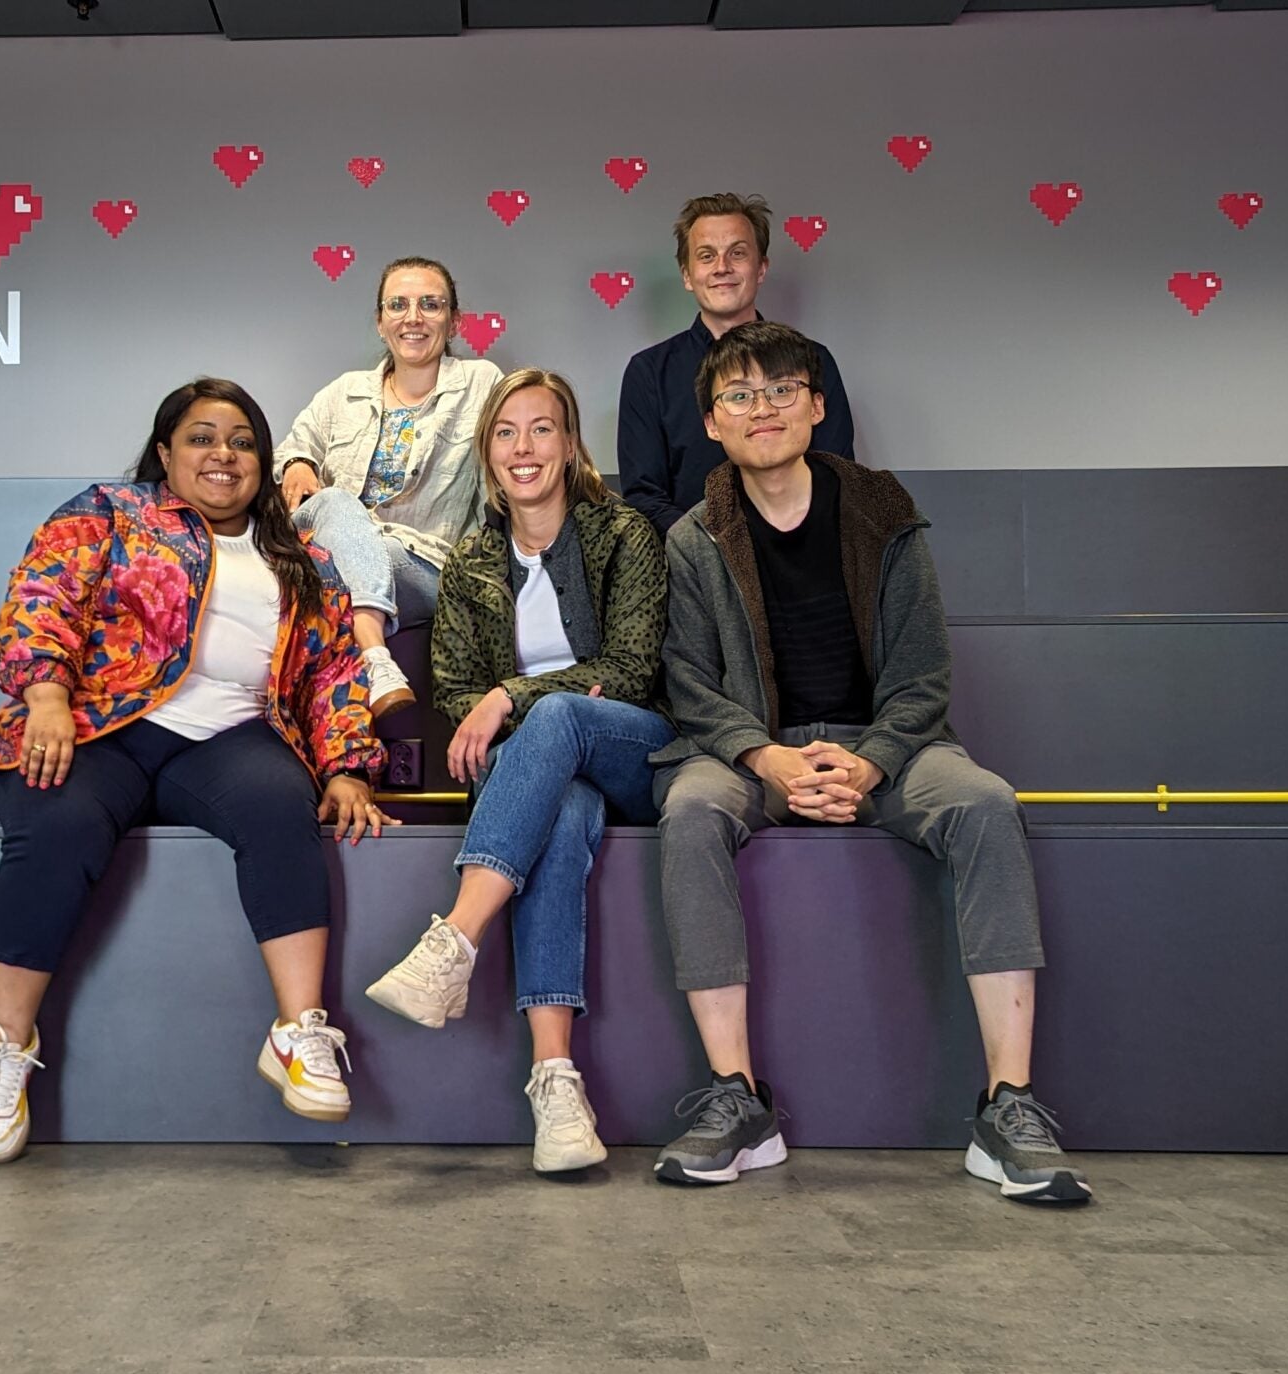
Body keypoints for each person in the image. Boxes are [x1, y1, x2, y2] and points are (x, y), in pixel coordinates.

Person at [648, 322, 1090, 1204]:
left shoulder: (886, 517)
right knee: (690, 811)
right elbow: (690, 686)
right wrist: (770, 758)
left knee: (986, 802)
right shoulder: (695, 538)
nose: (761, 408)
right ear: (712, 424)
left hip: (890, 743)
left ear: (817, 405)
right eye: (739, 395)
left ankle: (1008, 1107)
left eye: (781, 389)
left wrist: (872, 763)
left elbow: (924, 674)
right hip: (754, 751)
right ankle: (738, 1099)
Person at [0, 377, 400, 1164]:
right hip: (102, 721)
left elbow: (335, 671)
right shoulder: (108, 512)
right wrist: (48, 696)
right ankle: (6, 1048)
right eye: (202, 437)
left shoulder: (304, 556)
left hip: (229, 735)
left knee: (280, 805)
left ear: (264, 462)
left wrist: (347, 768)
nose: (223, 454)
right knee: (55, 823)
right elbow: (41, 597)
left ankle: (298, 1033)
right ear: (165, 452)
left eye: (241, 441)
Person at [360, 368, 671, 1175]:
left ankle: (457, 938)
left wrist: (511, 696)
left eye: (541, 429)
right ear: (488, 451)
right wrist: (498, 701)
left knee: (565, 718)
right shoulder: (471, 562)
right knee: (560, 814)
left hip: (634, 746)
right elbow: (456, 690)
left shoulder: (621, 535)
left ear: (569, 445)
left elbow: (631, 670)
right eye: (506, 432)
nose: (523, 448)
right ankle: (556, 1082)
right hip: (544, 770)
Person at [276, 257, 504, 715]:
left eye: (430, 305)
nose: (413, 318)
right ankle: (375, 656)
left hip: (424, 565)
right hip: (331, 551)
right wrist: (298, 462)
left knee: (322, 573)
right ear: (380, 322)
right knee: (335, 505)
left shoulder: (482, 383)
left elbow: (510, 468)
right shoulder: (345, 391)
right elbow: (292, 448)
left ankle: (362, 651)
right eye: (397, 305)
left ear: (454, 321)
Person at [616, 193, 855, 537]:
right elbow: (645, 497)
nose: (722, 267)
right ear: (686, 274)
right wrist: (713, 548)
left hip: (802, 560)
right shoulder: (649, 373)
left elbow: (837, 474)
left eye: (738, 253)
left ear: (761, 269)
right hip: (693, 574)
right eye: (706, 255)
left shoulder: (813, 360)